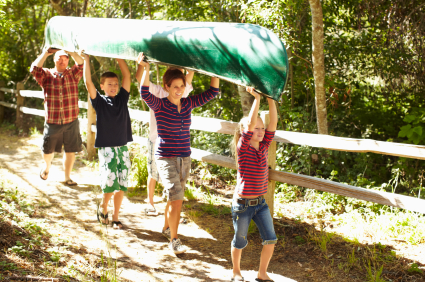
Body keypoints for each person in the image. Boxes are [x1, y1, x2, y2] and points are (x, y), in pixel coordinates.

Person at [136, 52, 219, 254]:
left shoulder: (188, 103)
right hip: (165, 157)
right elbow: (145, 93)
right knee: (177, 197)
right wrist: (145, 68)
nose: (179, 90)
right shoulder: (160, 105)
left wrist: (215, 68)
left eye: (182, 86)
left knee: (174, 197)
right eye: (175, 87)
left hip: (184, 157)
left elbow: (212, 92)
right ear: (167, 87)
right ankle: (174, 239)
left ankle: (166, 227)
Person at [230, 87, 278, 282]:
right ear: (246, 131)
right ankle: (236, 272)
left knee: (271, 239)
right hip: (243, 206)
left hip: (261, 204)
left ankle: (262, 273)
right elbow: (250, 124)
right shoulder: (243, 147)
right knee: (240, 241)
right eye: (255, 128)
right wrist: (256, 99)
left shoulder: (265, 145)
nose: (260, 131)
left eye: (262, 128)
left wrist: (271, 99)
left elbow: (273, 122)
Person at [82, 52, 132, 229]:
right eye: (109, 84)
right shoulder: (99, 101)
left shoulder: (122, 99)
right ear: (102, 86)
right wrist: (86, 60)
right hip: (107, 149)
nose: (114, 86)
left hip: (122, 148)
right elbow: (88, 82)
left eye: (116, 84)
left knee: (122, 185)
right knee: (110, 185)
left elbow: (127, 76)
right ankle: (103, 206)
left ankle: (116, 217)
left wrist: (119, 56)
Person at [143, 68, 194, 216]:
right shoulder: (157, 91)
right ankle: (150, 202)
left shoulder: (182, 93)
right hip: (157, 140)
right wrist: (144, 66)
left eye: (181, 82)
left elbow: (189, 77)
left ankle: (173, 212)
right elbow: (142, 86)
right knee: (153, 174)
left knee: (175, 186)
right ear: (167, 84)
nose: (179, 88)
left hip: (178, 147)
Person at [31, 47, 84, 186]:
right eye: (59, 57)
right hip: (53, 121)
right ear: (54, 59)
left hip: (71, 120)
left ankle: (67, 177)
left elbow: (82, 64)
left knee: (70, 150)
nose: (62, 60)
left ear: (68, 60)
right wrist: (45, 53)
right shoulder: (47, 75)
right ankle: (47, 166)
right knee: (48, 150)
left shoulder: (73, 74)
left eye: (65, 58)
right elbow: (34, 69)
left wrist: (72, 51)